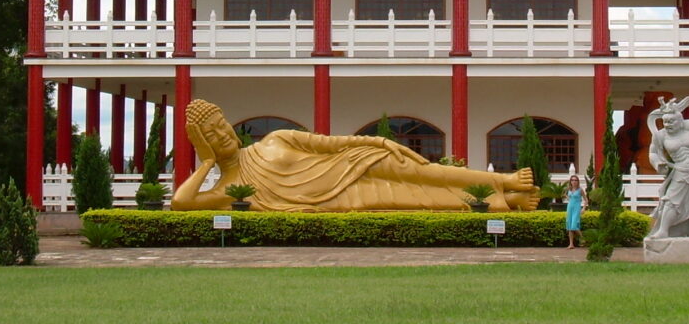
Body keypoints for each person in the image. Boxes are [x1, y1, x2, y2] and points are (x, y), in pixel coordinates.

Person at [172, 99, 539, 212]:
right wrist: (206, 161)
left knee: (424, 171)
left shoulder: (276, 138)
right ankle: (503, 202)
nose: (223, 135)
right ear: (202, 141)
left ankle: (501, 180)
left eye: (223, 125)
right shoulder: (231, 187)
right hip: (343, 197)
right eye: (212, 135)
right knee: (415, 201)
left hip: (353, 162)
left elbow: (330, 143)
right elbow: (181, 204)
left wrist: (378, 143)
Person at [646, 95, 689, 239]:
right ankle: (663, 230)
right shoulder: (660, 136)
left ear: (680, 120)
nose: (668, 125)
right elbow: (652, 153)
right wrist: (658, 164)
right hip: (681, 169)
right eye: (665, 122)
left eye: (671, 121)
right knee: (671, 200)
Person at [565, 175, 585, 248]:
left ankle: (583, 238)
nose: (574, 181)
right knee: (569, 226)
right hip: (570, 208)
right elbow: (565, 195)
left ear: (578, 181)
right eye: (572, 180)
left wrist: (583, 208)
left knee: (574, 226)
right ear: (570, 181)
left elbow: (586, 200)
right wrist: (568, 198)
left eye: (575, 180)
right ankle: (571, 244)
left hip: (576, 209)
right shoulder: (569, 189)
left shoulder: (580, 190)